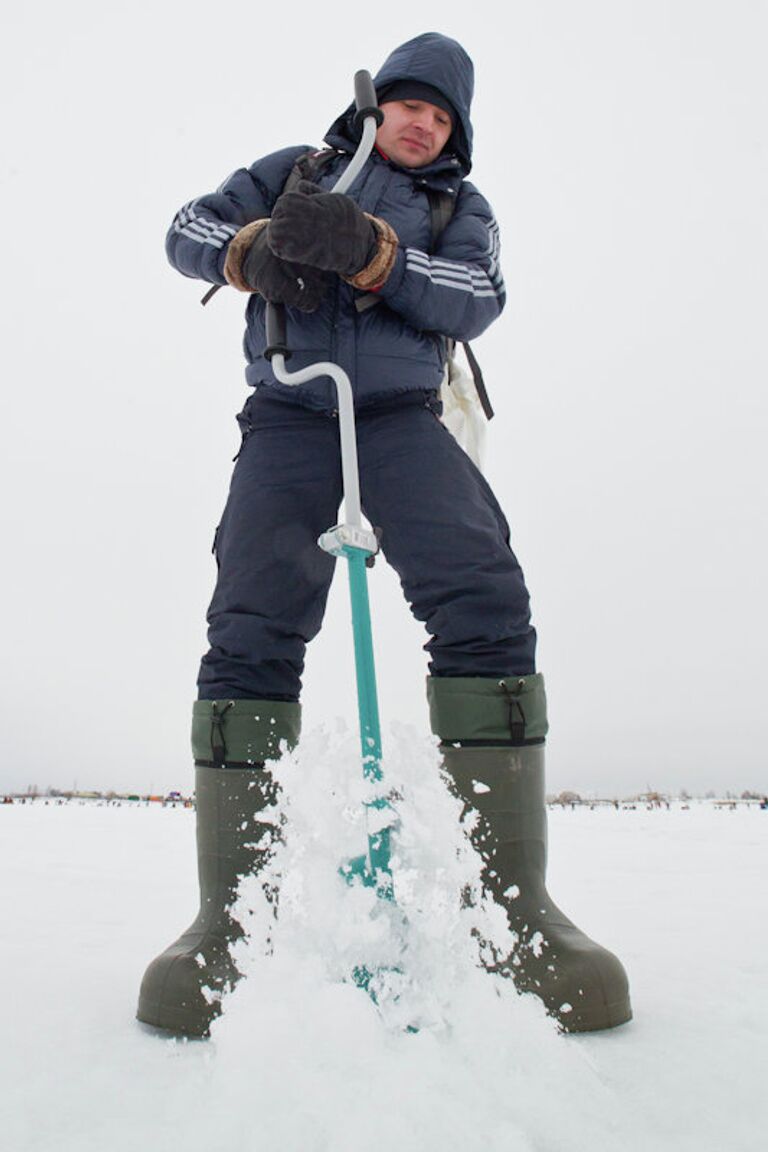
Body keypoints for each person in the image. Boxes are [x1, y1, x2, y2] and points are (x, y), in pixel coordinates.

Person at [137, 32, 631, 1037]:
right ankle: (231, 923)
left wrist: (374, 254)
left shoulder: (459, 212)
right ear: (373, 108)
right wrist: (249, 249)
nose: (421, 122)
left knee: (487, 599)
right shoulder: (293, 173)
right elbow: (186, 227)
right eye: (408, 104)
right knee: (249, 631)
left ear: (455, 136)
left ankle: (515, 912)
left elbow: (477, 300)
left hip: (403, 420)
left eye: (442, 116)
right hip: (288, 416)